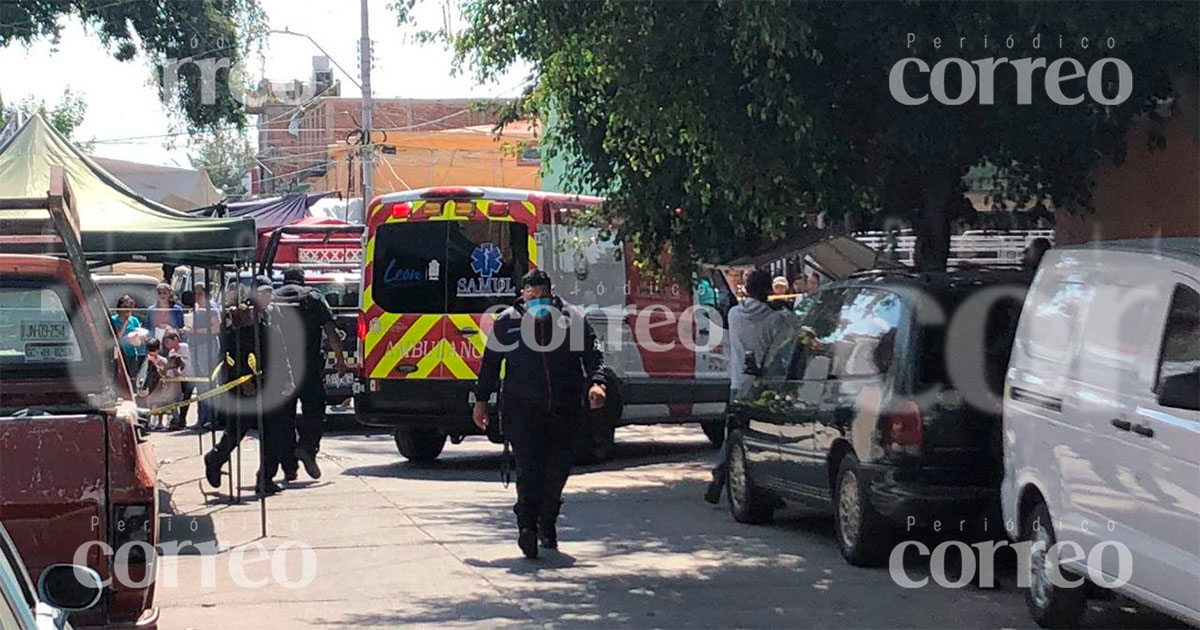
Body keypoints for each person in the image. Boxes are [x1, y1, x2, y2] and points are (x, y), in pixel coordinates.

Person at [472, 269, 607, 559]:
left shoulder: (570, 319)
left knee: (557, 472)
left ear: (551, 292)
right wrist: (481, 400)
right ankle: (526, 529)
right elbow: (491, 365)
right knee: (529, 472)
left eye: (541, 297)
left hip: (564, 409)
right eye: (531, 297)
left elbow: (592, 353)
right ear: (523, 295)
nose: (536, 303)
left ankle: (547, 521)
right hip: (523, 412)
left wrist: (597, 382)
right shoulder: (508, 323)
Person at [203, 276, 296, 495]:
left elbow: (280, 347)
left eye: (269, 293)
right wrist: (243, 379)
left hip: (270, 381)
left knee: (274, 432)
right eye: (263, 293)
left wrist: (288, 377)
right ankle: (215, 458)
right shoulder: (241, 316)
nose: (267, 297)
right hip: (247, 383)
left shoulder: (272, 314)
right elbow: (232, 352)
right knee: (239, 428)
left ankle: (265, 478)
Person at [705, 270, 790, 504]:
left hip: (738, 384)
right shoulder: (776, 318)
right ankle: (769, 486)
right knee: (765, 437)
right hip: (765, 385)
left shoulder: (734, 315)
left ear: (747, 290)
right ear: (768, 291)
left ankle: (721, 474)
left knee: (734, 434)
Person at [272, 266, 349, 481]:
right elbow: (331, 331)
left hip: (280, 370)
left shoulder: (273, 299)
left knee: (284, 419)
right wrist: (341, 361)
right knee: (315, 412)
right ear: (302, 280)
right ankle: (307, 447)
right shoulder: (313, 297)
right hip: (309, 367)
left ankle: (289, 467)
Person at [190, 283, 223, 430]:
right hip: (196, 345)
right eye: (195, 294)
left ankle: (212, 418)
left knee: (209, 382)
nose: (197, 297)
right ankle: (202, 418)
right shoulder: (197, 308)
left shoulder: (211, 307)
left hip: (207, 345)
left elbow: (216, 327)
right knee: (200, 384)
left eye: (200, 294)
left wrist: (198, 330)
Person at [111, 294, 146, 383]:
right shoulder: (113, 320)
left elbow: (138, 334)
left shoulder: (134, 320)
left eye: (129, 307)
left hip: (132, 353)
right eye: (125, 307)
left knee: (132, 377)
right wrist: (125, 323)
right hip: (119, 353)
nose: (127, 310)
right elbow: (116, 337)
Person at [161, 330, 192, 430]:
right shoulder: (171, 353)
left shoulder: (185, 347)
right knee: (178, 399)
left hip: (189, 377)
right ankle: (177, 420)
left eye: (168, 342)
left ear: (176, 339)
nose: (166, 345)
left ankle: (182, 419)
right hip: (178, 380)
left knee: (186, 399)